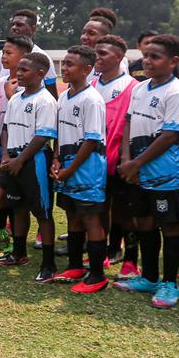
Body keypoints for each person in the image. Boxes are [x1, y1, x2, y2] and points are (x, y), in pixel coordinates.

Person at [114, 34, 179, 309]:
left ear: (173, 62)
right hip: (136, 170)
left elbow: (171, 135)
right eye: (146, 56)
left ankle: (169, 283)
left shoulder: (177, 91)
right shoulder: (140, 88)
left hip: (165, 174)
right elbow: (128, 123)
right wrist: (126, 159)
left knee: (168, 225)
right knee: (143, 223)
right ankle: (148, 276)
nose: (147, 61)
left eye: (154, 57)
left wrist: (136, 163)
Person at [0, 52, 58, 274]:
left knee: (43, 213)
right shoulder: (16, 98)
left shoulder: (46, 100)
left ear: (40, 73)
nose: (18, 73)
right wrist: (7, 157)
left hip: (34, 161)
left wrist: (21, 159)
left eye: (24, 70)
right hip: (13, 160)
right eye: (18, 69)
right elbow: (7, 128)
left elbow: (42, 136)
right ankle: (19, 254)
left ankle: (48, 264)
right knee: (17, 207)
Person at [51, 45, 109, 292]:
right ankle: (75, 266)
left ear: (86, 69)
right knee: (72, 215)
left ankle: (97, 275)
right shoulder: (64, 97)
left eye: (70, 65)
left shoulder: (92, 99)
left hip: (87, 169)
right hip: (66, 167)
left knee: (90, 218)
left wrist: (70, 169)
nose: (64, 68)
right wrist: (55, 159)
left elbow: (91, 140)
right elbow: (59, 133)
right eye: (63, 63)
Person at [91, 35, 139, 279]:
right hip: (93, 161)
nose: (97, 57)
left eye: (103, 54)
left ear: (119, 57)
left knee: (124, 212)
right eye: (96, 53)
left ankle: (130, 259)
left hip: (119, 161)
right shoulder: (91, 85)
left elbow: (133, 125)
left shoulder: (133, 87)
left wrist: (126, 157)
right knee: (100, 209)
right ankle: (103, 253)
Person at [0, 35, 32, 258]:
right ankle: (2, 226)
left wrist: (11, 95)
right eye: (2, 52)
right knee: (0, 193)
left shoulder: (30, 87)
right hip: (3, 144)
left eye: (9, 53)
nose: (3, 57)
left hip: (23, 145)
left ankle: (16, 240)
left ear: (24, 57)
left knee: (17, 196)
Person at [7, 9, 58, 93]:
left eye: (19, 25)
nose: (14, 28)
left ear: (33, 29)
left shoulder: (43, 58)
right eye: (13, 24)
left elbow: (52, 93)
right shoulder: (6, 56)